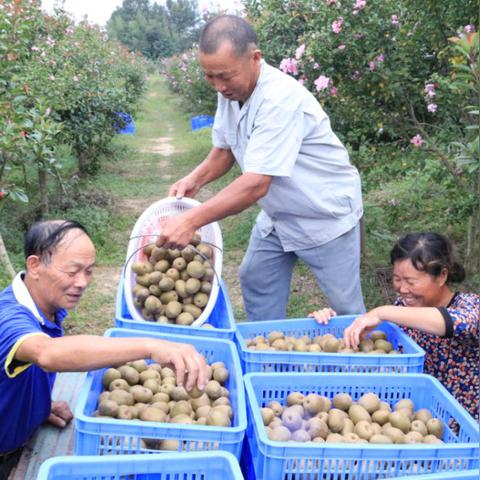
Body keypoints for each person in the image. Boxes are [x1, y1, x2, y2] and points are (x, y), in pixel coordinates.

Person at [155, 14, 365, 321]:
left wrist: (191, 221)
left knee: (347, 309)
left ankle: (368, 362)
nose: (218, 85)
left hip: (323, 213)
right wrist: (195, 179)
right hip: (280, 213)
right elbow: (226, 148)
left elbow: (255, 184)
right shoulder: (231, 91)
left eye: (225, 76)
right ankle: (267, 349)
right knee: (256, 276)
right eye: (209, 76)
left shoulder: (279, 99)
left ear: (255, 58)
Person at [0, 220, 208, 478]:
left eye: (89, 271)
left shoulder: (45, 306)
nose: (83, 282)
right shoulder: (8, 319)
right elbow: (47, 353)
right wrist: (150, 346)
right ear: (35, 266)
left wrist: (36, 406)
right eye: (72, 271)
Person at [310, 232, 479, 419]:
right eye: (397, 279)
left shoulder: (470, 306)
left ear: (441, 276)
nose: (403, 289)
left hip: (457, 420)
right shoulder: (402, 307)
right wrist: (328, 324)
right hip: (408, 414)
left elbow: (456, 323)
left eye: (411, 282)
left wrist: (381, 312)